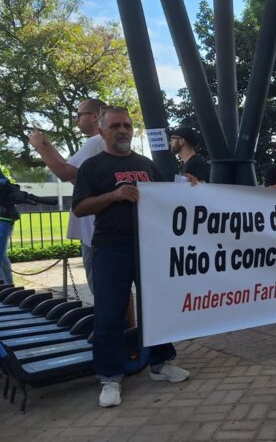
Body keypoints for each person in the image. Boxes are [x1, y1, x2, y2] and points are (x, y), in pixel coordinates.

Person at [72, 106, 190, 408]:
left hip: (149, 247)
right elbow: (80, 208)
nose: (123, 131)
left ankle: (160, 362)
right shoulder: (91, 167)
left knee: (156, 307)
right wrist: (114, 195)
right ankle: (110, 377)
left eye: (127, 125)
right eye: (115, 126)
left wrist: (188, 187)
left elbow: (166, 199)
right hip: (110, 248)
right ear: (101, 131)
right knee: (109, 313)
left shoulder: (146, 164)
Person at [29, 98, 107, 293]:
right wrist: (48, 147)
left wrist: (39, 147)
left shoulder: (95, 142)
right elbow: (73, 172)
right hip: (98, 228)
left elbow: (65, 173)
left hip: (94, 230)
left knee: (102, 289)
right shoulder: (101, 142)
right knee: (113, 289)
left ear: (95, 116)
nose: (75, 120)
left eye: (79, 115)